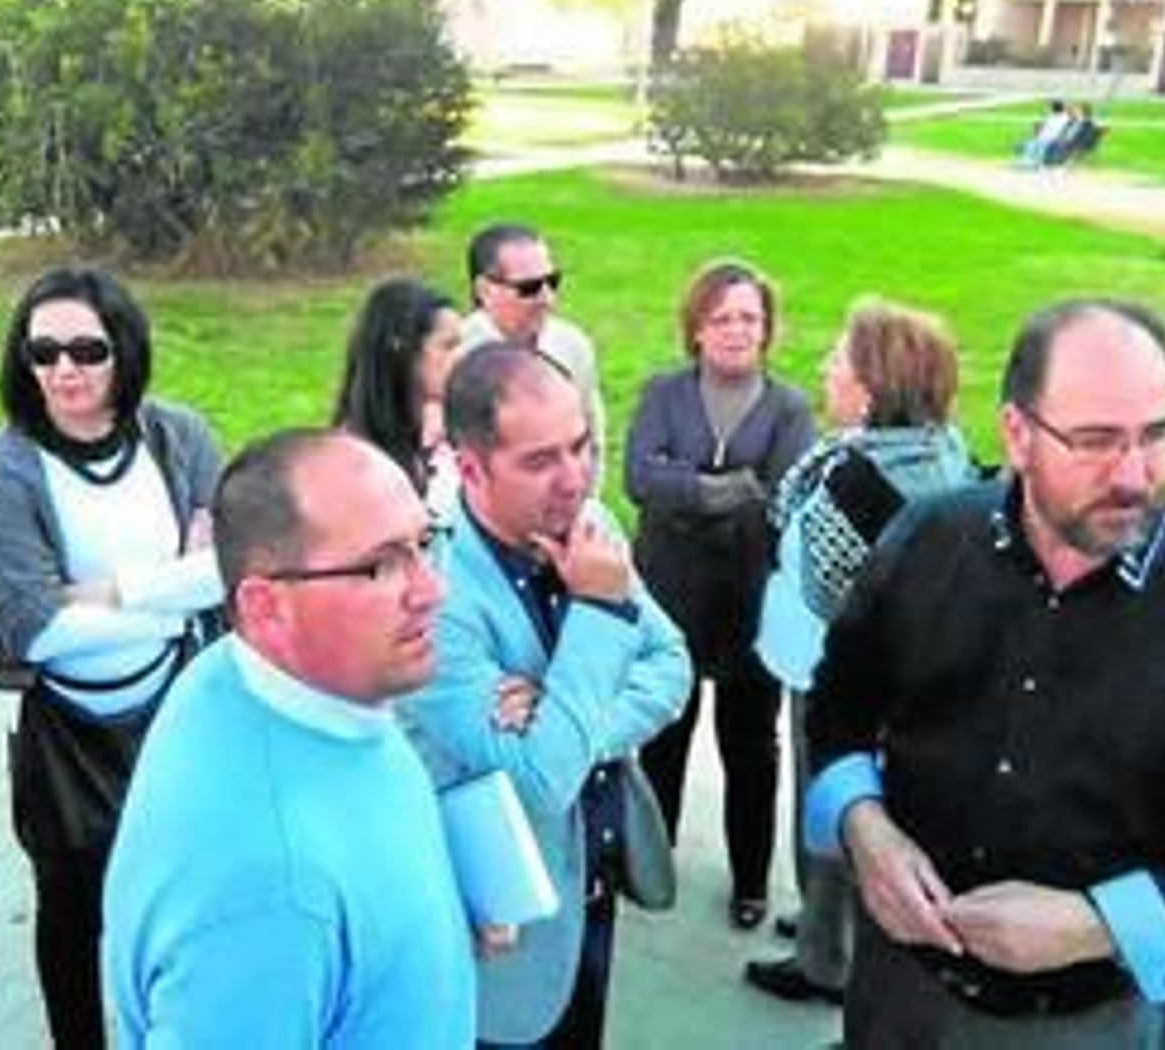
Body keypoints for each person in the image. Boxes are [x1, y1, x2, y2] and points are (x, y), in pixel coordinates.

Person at [805, 298, 1165, 1046]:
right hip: (898, 998)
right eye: (1095, 440)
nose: (1134, 474)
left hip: (1091, 1024)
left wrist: (1100, 926)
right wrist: (864, 828)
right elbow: (838, 704)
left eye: (1158, 435)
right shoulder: (927, 540)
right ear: (1017, 434)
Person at [104, 430, 477, 1047]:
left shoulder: (240, 677)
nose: (433, 590)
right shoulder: (269, 895)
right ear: (266, 608)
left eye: (425, 542)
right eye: (381, 566)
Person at [401, 343, 691, 1049]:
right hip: (510, 925)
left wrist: (563, 711)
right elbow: (538, 782)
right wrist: (599, 613)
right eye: (539, 461)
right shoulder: (440, 597)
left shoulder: (589, 528)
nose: (574, 480)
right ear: (469, 468)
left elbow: (673, 665)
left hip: (596, 880)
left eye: (581, 447)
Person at [0, 266, 223, 1048]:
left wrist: (104, 592)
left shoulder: (180, 437)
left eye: (86, 348)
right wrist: (171, 590)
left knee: (178, 891)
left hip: (173, 708)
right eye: (43, 352)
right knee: (71, 913)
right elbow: (36, 631)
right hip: (66, 731)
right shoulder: (3, 470)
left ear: (125, 351)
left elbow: (229, 571)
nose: (64, 370)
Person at [745, 298, 974, 1004]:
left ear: (872, 387)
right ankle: (825, 921)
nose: (824, 368)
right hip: (871, 678)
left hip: (836, 677)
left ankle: (826, 959)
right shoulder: (938, 450)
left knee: (834, 810)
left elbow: (818, 575)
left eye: (839, 359)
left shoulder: (858, 479)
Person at [625, 260, 814, 931]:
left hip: (749, 609)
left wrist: (690, 487)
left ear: (767, 330)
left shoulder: (789, 407)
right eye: (722, 318)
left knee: (750, 750)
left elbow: (782, 496)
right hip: (670, 599)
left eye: (749, 318)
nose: (737, 330)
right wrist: (728, 486)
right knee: (662, 740)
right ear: (696, 329)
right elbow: (639, 478)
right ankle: (652, 861)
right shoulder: (662, 394)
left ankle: (751, 881)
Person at [459, 223, 607, 480]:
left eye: (552, 281)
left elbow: (592, 440)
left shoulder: (572, 346)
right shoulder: (453, 357)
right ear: (483, 290)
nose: (547, 299)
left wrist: (581, 503)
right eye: (529, 288)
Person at [333, 276, 463, 523]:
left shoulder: (452, 432)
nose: (462, 357)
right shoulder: (354, 460)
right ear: (401, 349)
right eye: (448, 346)